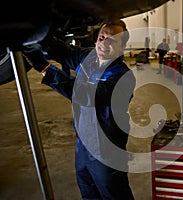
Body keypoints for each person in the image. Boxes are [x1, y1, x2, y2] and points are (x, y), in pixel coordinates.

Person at [24, 19, 136, 200]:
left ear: (122, 47)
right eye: (102, 37)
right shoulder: (87, 60)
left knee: (114, 195)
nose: (104, 43)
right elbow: (61, 50)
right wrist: (36, 35)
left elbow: (87, 96)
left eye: (112, 40)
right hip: (83, 147)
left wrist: (46, 68)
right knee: (88, 193)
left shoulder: (123, 77)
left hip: (107, 152)